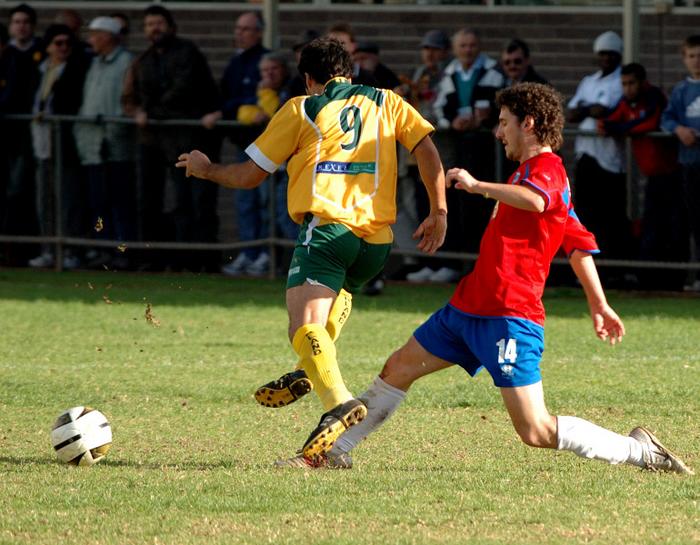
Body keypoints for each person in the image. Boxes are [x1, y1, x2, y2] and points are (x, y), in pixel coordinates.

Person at [273, 82, 694, 476]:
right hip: (466, 308)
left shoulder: (547, 171)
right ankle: (331, 453)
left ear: (528, 123)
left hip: (509, 317)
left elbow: (535, 201)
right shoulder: (530, 175)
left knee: (535, 431)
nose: (498, 132)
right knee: (398, 368)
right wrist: (599, 304)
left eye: (505, 122)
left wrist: (477, 186)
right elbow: (578, 245)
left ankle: (642, 451)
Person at [176, 37, 447, 461]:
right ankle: (309, 371)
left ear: (307, 77)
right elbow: (427, 148)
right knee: (325, 314)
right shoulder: (387, 102)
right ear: (350, 72)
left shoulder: (302, 107)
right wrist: (439, 211)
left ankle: (338, 400)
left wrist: (205, 168)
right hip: (376, 243)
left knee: (301, 328)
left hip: (325, 232)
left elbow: (250, 176)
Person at [124, 4, 220, 272]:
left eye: (158, 23)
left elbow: (183, 91)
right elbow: (134, 95)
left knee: (190, 202)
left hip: (187, 138)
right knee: (149, 201)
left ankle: (198, 260)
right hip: (154, 139)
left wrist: (150, 112)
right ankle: (153, 258)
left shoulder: (187, 53)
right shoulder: (143, 60)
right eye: (149, 24)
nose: (154, 28)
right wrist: (140, 111)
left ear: (171, 26)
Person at [424, 28, 504, 284]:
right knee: (461, 206)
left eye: (472, 45)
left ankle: (485, 264)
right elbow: (439, 107)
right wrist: (452, 122)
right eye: (463, 45)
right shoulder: (450, 73)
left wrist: (489, 119)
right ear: (456, 49)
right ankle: (462, 264)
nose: (468, 50)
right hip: (460, 148)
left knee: (485, 206)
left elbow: (503, 103)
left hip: (486, 149)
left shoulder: (493, 71)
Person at [600, 63, 687, 289]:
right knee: (651, 227)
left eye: (632, 84)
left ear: (642, 82)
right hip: (653, 177)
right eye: (624, 84)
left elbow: (651, 123)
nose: (628, 89)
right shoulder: (626, 102)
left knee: (676, 227)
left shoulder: (653, 97)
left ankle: (679, 279)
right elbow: (607, 122)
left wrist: (622, 128)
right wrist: (620, 126)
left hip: (673, 174)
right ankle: (649, 279)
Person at [73, 16, 136, 270]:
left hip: (115, 144)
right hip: (92, 146)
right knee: (98, 202)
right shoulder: (94, 64)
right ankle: (103, 249)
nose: (91, 40)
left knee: (120, 202)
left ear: (107, 36)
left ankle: (123, 251)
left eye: (95, 34)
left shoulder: (126, 63)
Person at [567, 31, 631, 272]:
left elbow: (601, 110)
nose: (606, 58)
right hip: (586, 154)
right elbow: (572, 112)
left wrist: (589, 110)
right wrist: (588, 110)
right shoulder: (589, 81)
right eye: (602, 54)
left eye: (611, 54)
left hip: (610, 160)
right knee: (586, 213)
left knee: (610, 215)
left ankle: (613, 268)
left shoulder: (619, 81)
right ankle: (587, 267)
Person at [28, 24, 89, 269]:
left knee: (68, 199)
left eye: (67, 43)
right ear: (48, 46)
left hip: (65, 144)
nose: (63, 48)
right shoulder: (39, 69)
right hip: (41, 143)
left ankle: (70, 251)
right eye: (58, 43)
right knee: (44, 200)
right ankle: (48, 250)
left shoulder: (76, 69)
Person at [215, 11, 271, 277]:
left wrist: (238, 108)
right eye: (238, 28)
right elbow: (226, 99)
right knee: (244, 201)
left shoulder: (265, 60)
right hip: (243, 145)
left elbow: (261, 101)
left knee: (265, 202)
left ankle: (264, 254)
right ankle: (249, 252)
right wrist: (238, 110)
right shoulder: (235, 63)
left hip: (266, 147)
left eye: (246, 29)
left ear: (259, 32)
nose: (240, 33)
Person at [2, 4, 42, 264]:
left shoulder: (41, 54)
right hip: (7, 134)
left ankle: (20, 249)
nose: (21, 26)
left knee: (21, 192)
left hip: (29, 137)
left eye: (26, 21)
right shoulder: (6, 55)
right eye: (17, 21)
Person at [661, 35, 700, 292]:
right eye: (692, 56)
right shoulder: (681, 91)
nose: (697, 61)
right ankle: (694, 276)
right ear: (684, 59)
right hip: (690, 165)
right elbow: (666, 118)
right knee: (693, 221)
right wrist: (679, 130)